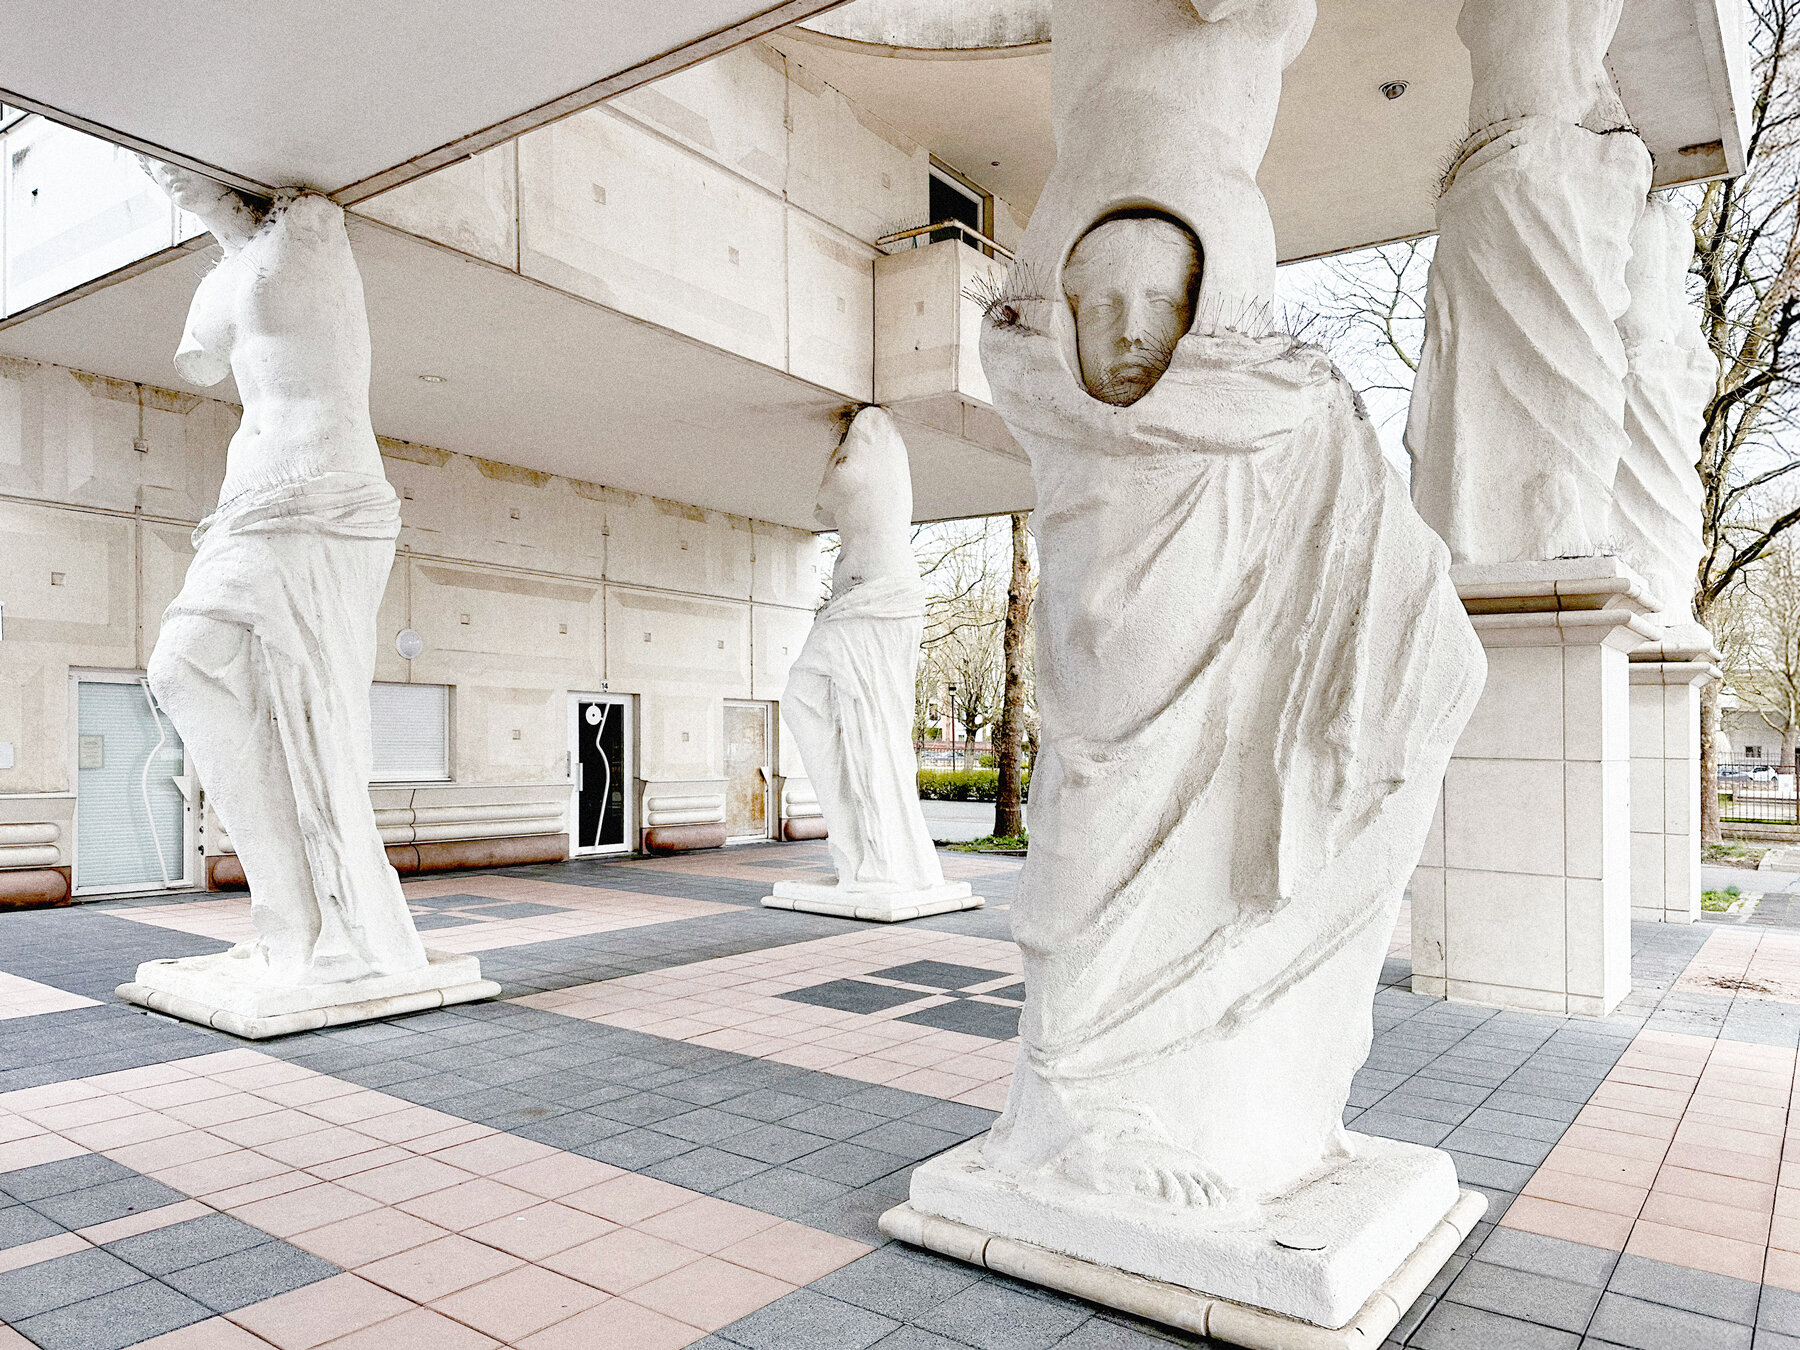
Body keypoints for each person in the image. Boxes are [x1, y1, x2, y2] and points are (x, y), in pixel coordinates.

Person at [140, 160, 425, 986]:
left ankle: (333, 930)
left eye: (170, 158)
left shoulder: (308, 226)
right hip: (249, 505)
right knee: (184, 665)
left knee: (312, 710)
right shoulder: (218, 279)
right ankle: (289, 918)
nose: (161, 171)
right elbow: (205, 359)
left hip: (326, 495)